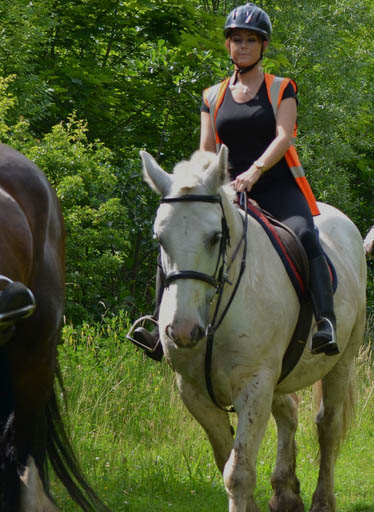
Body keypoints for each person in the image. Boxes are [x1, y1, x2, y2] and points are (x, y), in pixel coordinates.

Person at [128, 2, 339, 359]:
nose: (243, 46)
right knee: (179, 234)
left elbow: (284, 137)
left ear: (263, 46)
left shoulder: (282, 88)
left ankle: (325, 320)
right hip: (225, 190)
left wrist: (256, 170)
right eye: (237, 39)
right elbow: (206, 150)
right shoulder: (212, 95)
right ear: (228, 44)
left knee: (305, 235)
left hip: (275, 186)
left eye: (250, 40)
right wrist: (199, 183)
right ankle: (157, 324)